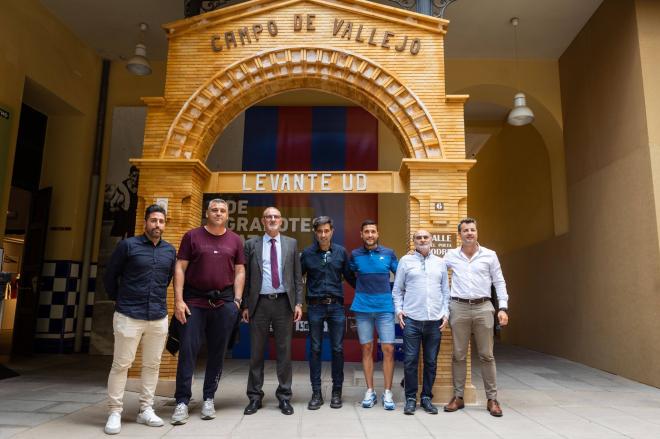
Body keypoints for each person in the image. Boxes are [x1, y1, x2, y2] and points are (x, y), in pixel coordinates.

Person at [170, 199, 245, 425]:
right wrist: (178, 300)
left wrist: (237, 301)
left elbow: (240, 271)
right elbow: (180, 268)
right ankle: (182, 402)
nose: (218, 213)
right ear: (207, 213)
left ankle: (209, 398)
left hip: (224, 303)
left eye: (223, 210)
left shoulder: (235, 240)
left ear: (228, 214)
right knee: (188, 351)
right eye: (214, 210)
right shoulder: (192, 236)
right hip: (194, 302)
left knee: (217, 352)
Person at [103, 204, 176, 435]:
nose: (157, 225)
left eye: (161, 221)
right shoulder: (128, 246)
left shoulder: (169, 251)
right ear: (145, 222)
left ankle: (146, 409)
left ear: (165, 224)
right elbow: (110, 276)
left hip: (158, 316)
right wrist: (120, 301)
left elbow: (166, 280)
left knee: (152, 365)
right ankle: (115, 411)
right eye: (153, 220)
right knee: (121, 364)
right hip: (128, 314)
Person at [443, 218, 509, 417]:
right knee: (458, 355)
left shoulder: (490, 255)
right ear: (459, 234)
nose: (469, 233)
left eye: (472, 230)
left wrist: (503, 307)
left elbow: (499, 282)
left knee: (487, 355)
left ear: (477, 232)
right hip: (458, 307)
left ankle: (492, 399)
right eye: (465, 230)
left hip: (483, 307)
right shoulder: (451, 255)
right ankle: (458, 397)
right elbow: (435, 274)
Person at [242, 207, 303, 416]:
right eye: (268, 217)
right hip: (259, 304)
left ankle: (285, 397)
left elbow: (297, 277)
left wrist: (298, 304)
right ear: (262, 221)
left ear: (281, 221)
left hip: (283, 303)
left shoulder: (291, 243)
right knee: (256, 353)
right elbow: (247, 277)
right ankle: (254, 397)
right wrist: (245, 305)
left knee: (284, 353)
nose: (272, 219)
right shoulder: (251, 244)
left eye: (276, 216)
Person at [300, 216, 356, 410]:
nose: (323, 235)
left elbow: (351, 277)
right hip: (314, 306)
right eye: (319, 231)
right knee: (315, 349)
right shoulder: (307, 254)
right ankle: (316, 393)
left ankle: (336, 393)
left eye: (326, 231)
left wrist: (370, 293)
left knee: (338, 349)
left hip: (336, 307)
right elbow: (297, 279)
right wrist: (297, 303)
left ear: (332, 231)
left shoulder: (341, 252)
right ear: (315, 232)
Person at [392, 230, 449, 416]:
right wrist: (399, 311)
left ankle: (426, 398)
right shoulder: (405, 261)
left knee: (431, 362)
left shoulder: (440, 263)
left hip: (434, 322)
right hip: (412, 321)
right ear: (414, 241)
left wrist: (446, 313)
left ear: (431, 241)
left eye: (425, 237)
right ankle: (410, 398)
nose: (422, 240)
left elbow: (446, 292)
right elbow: (397, 290)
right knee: (410, 361)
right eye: (419, 237)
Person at [349, 220, 398, 410]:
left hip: (385, 308)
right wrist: (363, 289)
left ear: (378, 234)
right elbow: (351, 275)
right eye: (366, 232)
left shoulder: (388, 253)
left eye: (373, 231)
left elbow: (400, 274)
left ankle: (387, 392)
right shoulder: (354, 255)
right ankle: (370, 391)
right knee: (367, 349)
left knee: (388, 349)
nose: (370, 235)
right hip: (362, 308)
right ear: (361, 234)